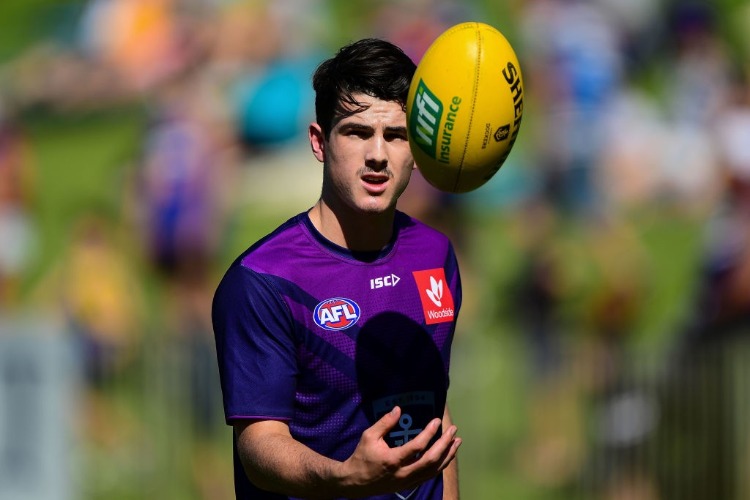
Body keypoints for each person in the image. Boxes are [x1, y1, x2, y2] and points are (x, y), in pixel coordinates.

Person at [212, 38, 463, 499]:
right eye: (357, 132)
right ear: (319, 142)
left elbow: (435, 413)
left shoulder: (435, 255)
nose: (377, 155)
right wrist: (345, 477)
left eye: (396, 135)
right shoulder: (264, 280)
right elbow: (259, 446)